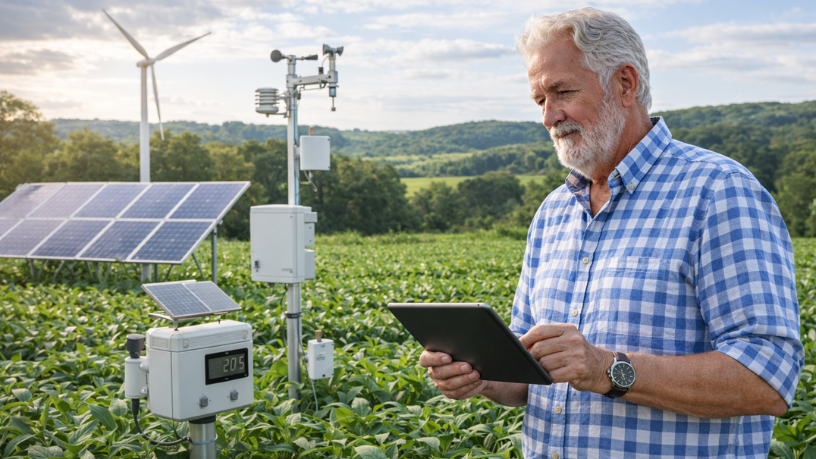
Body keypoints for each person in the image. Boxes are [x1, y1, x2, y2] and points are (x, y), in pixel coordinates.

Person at [420, 7, 803, 459]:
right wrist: (483, 376)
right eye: (540, 100)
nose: (549, 117)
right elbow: (531, 377)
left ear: (625, 83)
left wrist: (608, 369)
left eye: (562, 92)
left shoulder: (718, 191)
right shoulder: (553, 213)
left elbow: (769, 378)